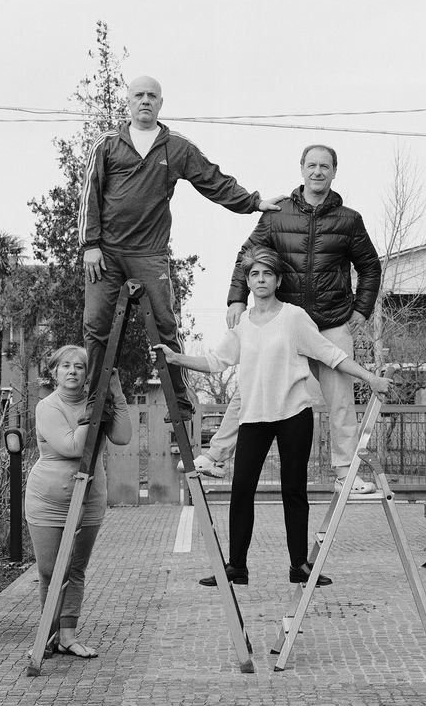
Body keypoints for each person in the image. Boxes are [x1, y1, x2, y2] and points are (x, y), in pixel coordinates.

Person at [155, 247, 391, 586]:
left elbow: (332, 355)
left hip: (293, 415)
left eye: (267, 274)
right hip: (254, 418)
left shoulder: (294, 317)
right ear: (249, 282)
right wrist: (176, 358)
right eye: (255, 274)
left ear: (278, 280)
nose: (261, 279)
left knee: (294, 491)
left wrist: (370, 379)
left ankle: (299, 566)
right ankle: (237, 566)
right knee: (241, 490)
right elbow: (215, 362)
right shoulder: (243, 325)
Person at [78, 75, 285, 423]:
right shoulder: (107, 144)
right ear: (128, 102)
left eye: (152, 96)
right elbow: (89, 194)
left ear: (161, 103)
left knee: (164, 324)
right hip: (106, 253)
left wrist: (253, 202)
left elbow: (213, 180)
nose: (145, 100)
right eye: (139, 95)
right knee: (96, 326)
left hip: (150, 252)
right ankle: (96, 400)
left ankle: (180, 399)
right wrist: (90, 245)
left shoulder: (176, 146)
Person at [189, 144, 382, 494]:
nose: (318, 171)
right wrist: (237, 298)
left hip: (331, 322)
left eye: (325, 166)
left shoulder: (349, 220)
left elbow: (370, 266)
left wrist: (361, 309)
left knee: (341, 400)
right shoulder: (277, 215)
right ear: (302, 168)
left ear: (334, 171)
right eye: (312, 165)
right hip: (285, 325)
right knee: (250, 389)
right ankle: (215, 457)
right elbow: (247, 255)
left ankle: (345, 474)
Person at [25, 345, 132, 658]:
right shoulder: (47, 407)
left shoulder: (97, 401)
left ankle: (67, 637)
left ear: (89, 374)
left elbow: (123, 437)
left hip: (90, 497)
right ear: (54, 372)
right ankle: (48, 635)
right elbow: (73, 447)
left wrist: (115, 393)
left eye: (80, 366)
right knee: (49, 571)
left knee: (75, 569)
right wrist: (96, 410)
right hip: (48, 500)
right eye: (65, 366)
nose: (72, 371)